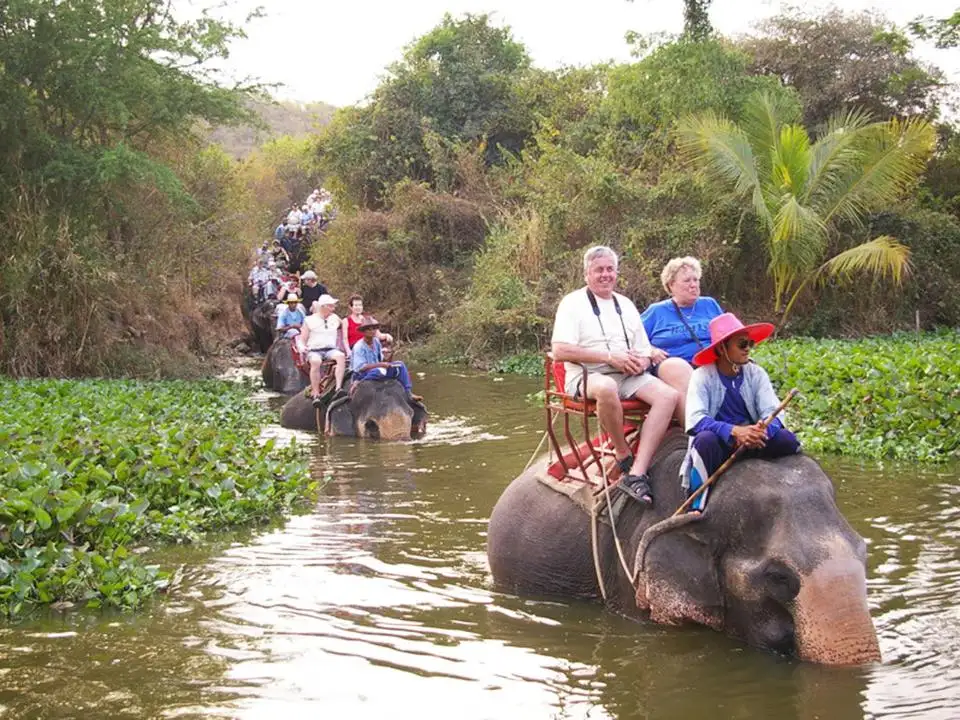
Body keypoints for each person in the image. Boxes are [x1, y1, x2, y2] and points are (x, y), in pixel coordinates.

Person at [551, 245, 679, 506]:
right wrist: (609, 357)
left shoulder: (626, 304)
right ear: (587, 273)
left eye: (610, 269)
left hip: (626, 374)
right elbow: (560, 350)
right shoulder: (572, 303)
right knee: (607, 386)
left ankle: (637, 471)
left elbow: (644, 350)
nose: (605, 275)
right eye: (599, 270)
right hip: (587, 375)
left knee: (669, 396)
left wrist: (640, 363)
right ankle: (623, 454)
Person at [682, 313, 801, 513]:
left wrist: (759, 432)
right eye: (742, 344)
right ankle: (697, 504)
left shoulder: (756, 373)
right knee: (704, 441)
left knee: (787, 439)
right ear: (722, 348)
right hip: (722, 443)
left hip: (753, 441)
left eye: (750, 344)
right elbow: (695, 419)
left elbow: (773, 412)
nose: (748, 349)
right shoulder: (701, 376)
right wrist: (734, 432)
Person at [641, 257, 724, 422]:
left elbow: (729, 334)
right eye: (687, 280)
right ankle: (701, 432)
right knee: (678, 368)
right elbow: (633, 338)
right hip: (672, 365)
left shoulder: (709, 305)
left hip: (709, 362)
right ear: (671, 285)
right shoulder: (656, 311)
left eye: (696, 280)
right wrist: (651, 350)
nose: (693, 285)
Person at [350, 316, 421, 402]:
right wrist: (381, 365)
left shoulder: (376, 342)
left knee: (400, 365)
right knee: (380, 371)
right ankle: (360, 382)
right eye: (369, 329)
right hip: (364, 373)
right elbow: (360, 367)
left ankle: (408, 392)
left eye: (374, 329)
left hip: (378, 369)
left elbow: (382, 359)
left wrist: (388, 356)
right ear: (364, 332)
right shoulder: (359, 347)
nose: (372, 331)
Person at [299, 295, 347, 406]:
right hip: (314, 350)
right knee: (316, 361)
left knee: (341, 356)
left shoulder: (335, 318)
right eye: (330, 306)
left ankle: (338, 387)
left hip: (330, 349)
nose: (333, 308)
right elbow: (302, 339)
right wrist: (302, 347)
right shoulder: (309, 320)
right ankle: (316, 391)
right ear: (323, 306)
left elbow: (344, 324)